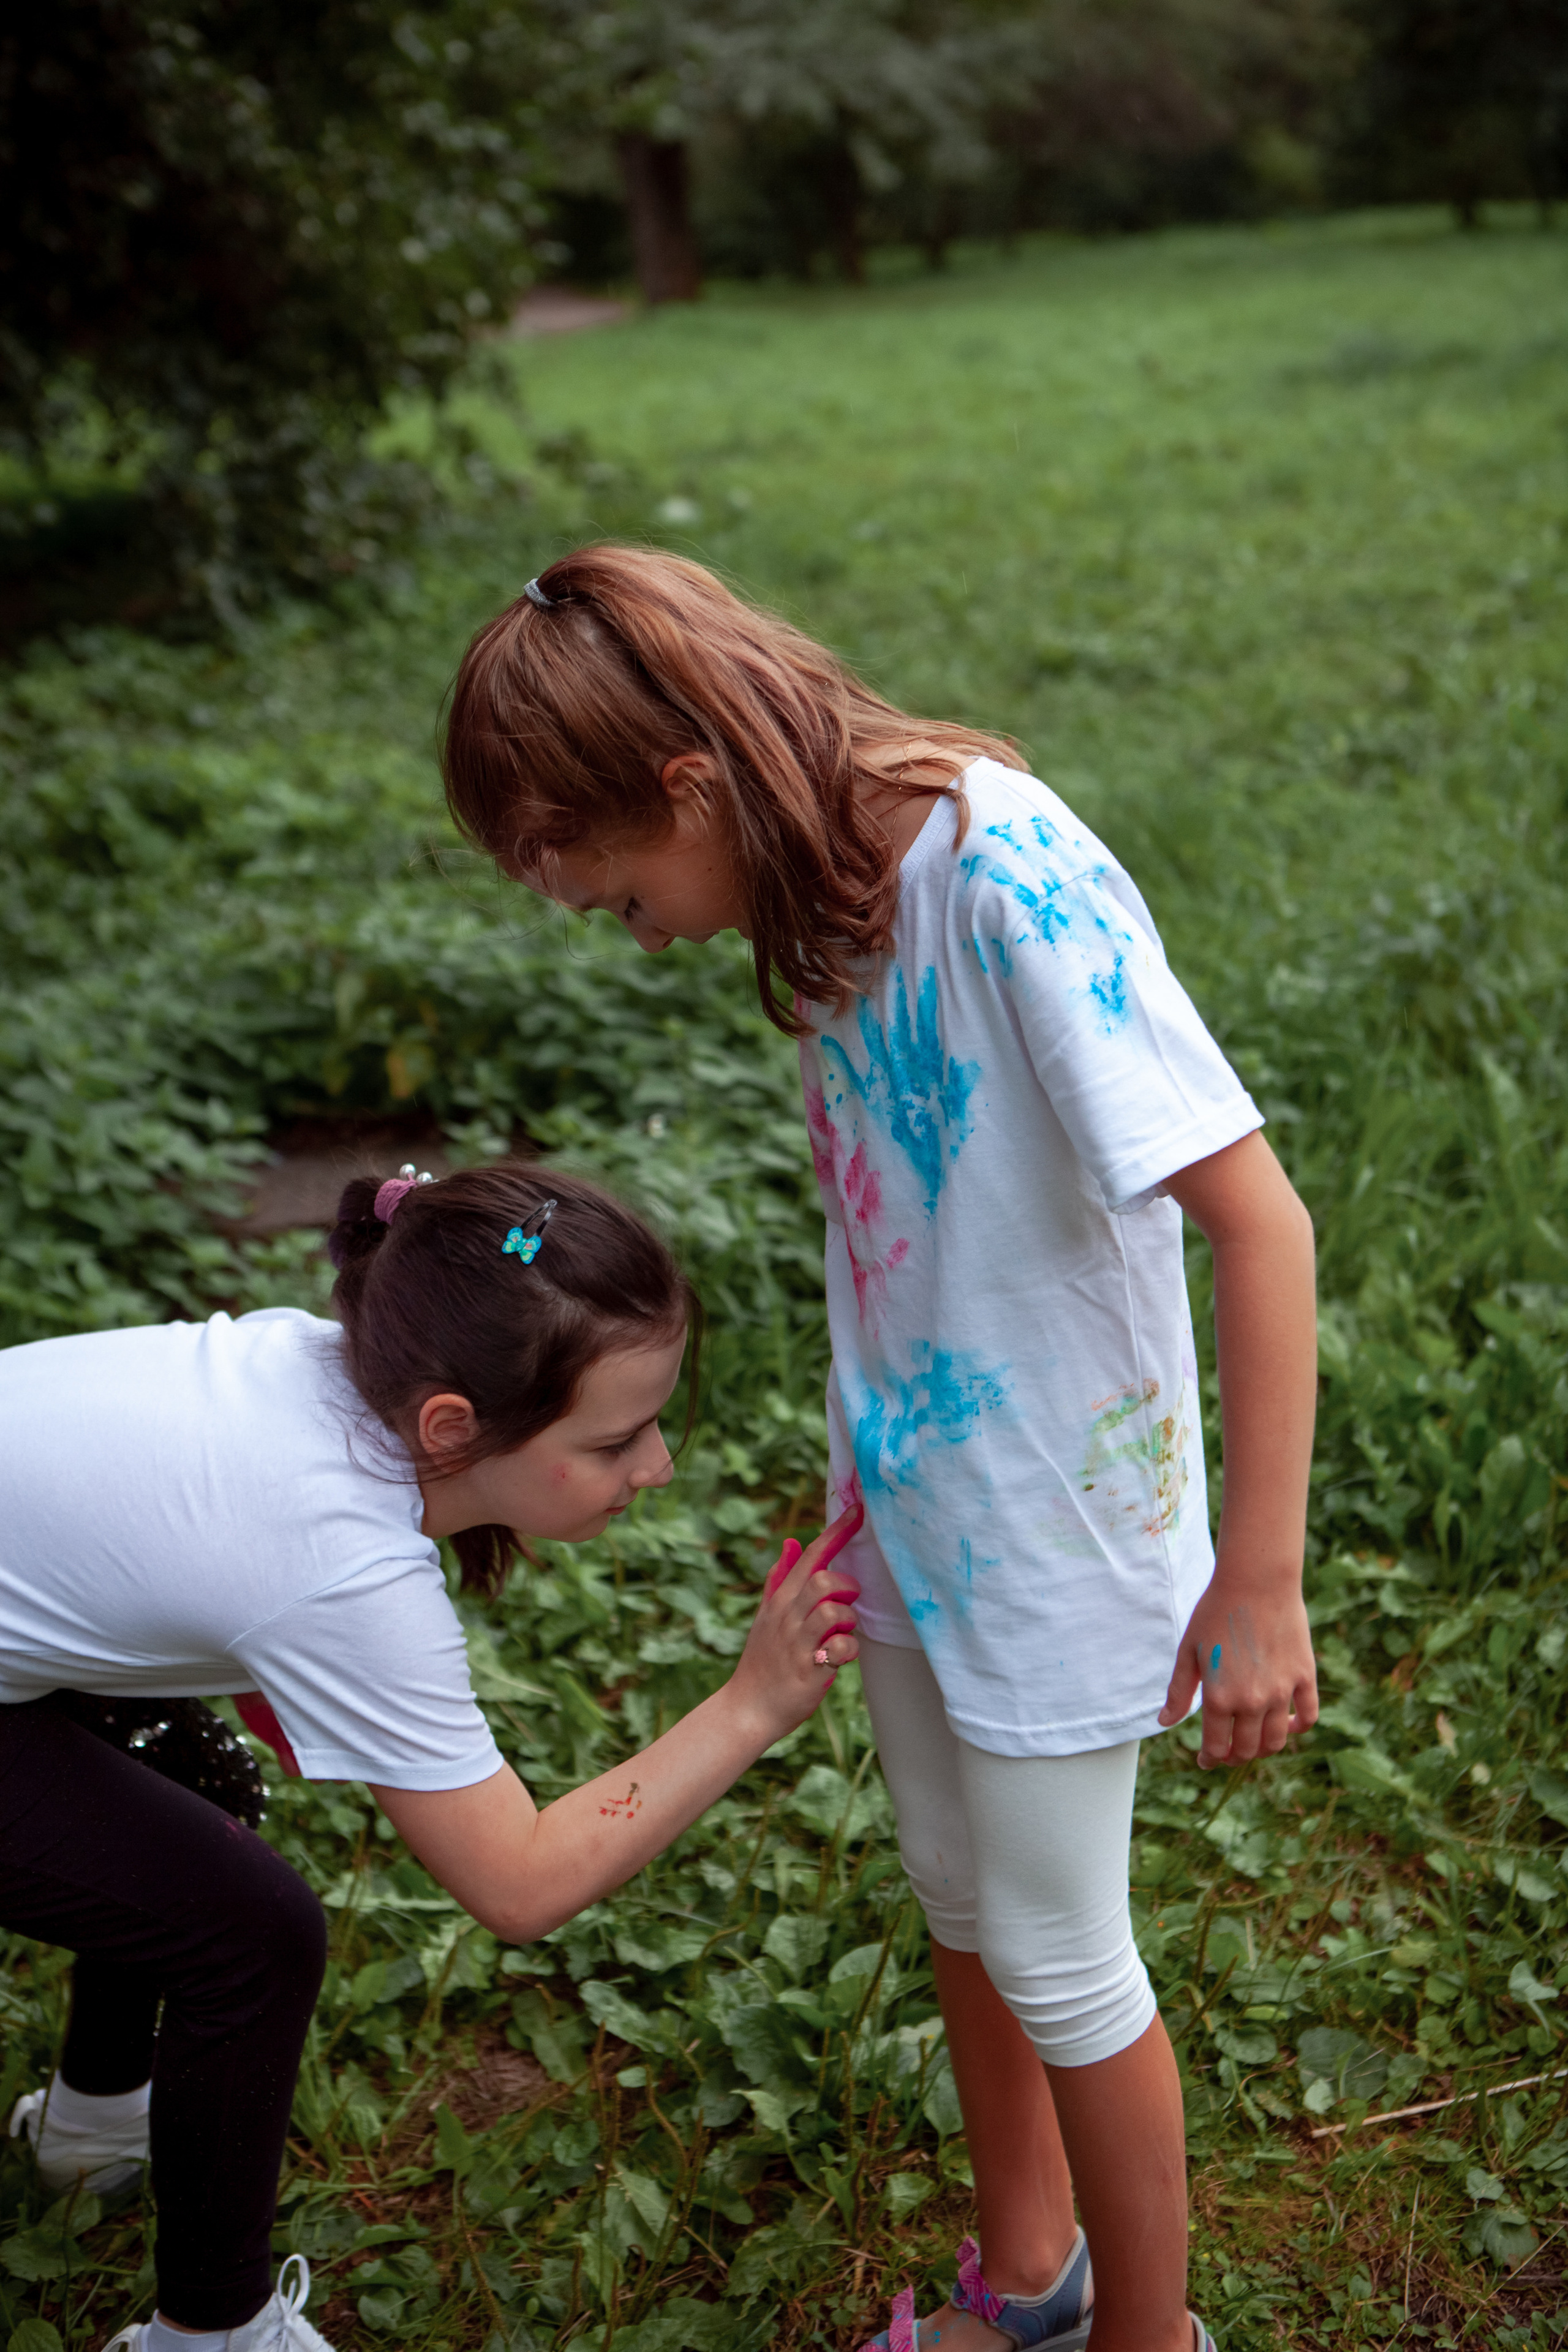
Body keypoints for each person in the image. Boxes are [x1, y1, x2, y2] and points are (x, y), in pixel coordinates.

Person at [440, 546, 1322, 2352]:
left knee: (1068, 1952)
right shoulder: (819, 891)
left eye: (617, 898)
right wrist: (861, 1469)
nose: (639, 933)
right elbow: (906, 1230)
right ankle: (1033, 2284)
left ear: (689, 784)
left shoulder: (999, 864)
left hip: (1066, 1524)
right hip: (918, 1512)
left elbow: (1264, 1221)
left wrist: (1263, 1571)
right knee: (954, 1893)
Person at [0, 1161, 861, 2352]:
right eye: (615, 1441)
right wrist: (752, 1706)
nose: (655, 1468)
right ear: (451, 1427)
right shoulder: (338, 1550)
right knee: (250, 1937)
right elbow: (519, 1882)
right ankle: (213, 2336)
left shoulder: (319, 1374)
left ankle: (93, 2132)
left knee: (185, 1785)